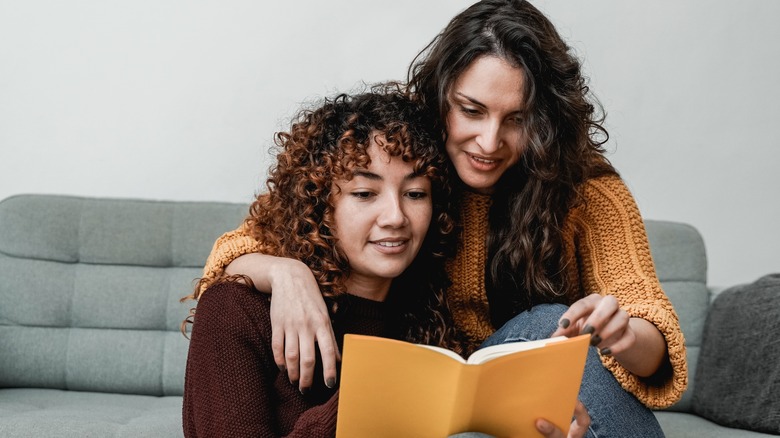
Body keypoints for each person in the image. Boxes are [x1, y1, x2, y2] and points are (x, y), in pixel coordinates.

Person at [196, 1, 687, 436]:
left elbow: (652, 331)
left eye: (517, 119)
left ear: (547, 120)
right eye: (472, 110)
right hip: (433, 381)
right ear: (442, 96)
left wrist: (621, 335)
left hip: (510, 388)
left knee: (546, 325)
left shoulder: (587, 191)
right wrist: (286, 271)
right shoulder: (411, 155)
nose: (489, 142)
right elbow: (244, 249)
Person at [181, 88, 587, 437]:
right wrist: (376, 392)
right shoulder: (237, 311)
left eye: (415, 194)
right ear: (320, 203)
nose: (395, 216)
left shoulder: (428, 323)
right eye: (364, 194)